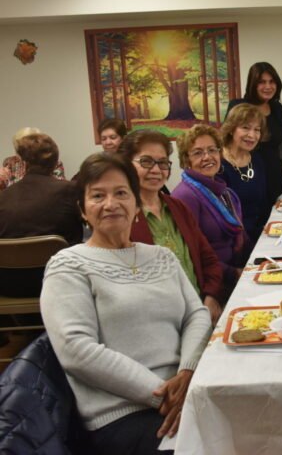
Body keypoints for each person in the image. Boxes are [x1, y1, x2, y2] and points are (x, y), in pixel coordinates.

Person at [40, 152, 211, 454]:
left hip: (187, 392)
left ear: (136, 204)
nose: (111, 204)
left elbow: (195, 315)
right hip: (123, 413)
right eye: (97, 195)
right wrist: (162, 395)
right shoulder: (68, 265)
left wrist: (186, 372)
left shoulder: (161, 256)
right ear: (82, 209)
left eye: (121, 193)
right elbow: (76, 350)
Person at [119, 130, 227, 324]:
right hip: (158, 323)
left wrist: (212, 296)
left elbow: (208, 258)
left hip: (199, 310)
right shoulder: (122, 218)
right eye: (146, 161)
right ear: (126, 165)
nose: (156, 170)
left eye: (162, 163)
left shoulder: (177, 207)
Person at [0, 133, 82, 296]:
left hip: (8, 285)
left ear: (24, 163)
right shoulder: (70, 190)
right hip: (62, 281)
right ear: (55, 163)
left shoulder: (3, 196)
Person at [173, 125, 246, 291]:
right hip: (215, 284)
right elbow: (194, 254)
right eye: (198, 153)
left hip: (238, 272)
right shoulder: (185, 196)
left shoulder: (224, 192)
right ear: (186, 160)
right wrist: (234, 273)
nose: (207, 157)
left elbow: (242, 237)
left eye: (212, 150)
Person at [226, 62, 282, 205]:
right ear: (253, 84)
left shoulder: (277, 108)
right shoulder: (238, 106)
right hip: (246, 177)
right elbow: (226, 141)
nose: (268, 86)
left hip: (274, 176)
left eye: (272, 81)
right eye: (262, 82)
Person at [219, 103, 269, 247]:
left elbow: (263, 205)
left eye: (257, 130)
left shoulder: (257, 160)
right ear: (231, 129)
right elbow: (222, 215)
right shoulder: (218, 163)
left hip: (260, 235)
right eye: (245, 128)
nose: (252, 135)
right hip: (233, 241)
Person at [1, 127, 66, 189]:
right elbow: (6, 188)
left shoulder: (53, 163)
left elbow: (59, 187)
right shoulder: (10, 162)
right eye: (18, 147)